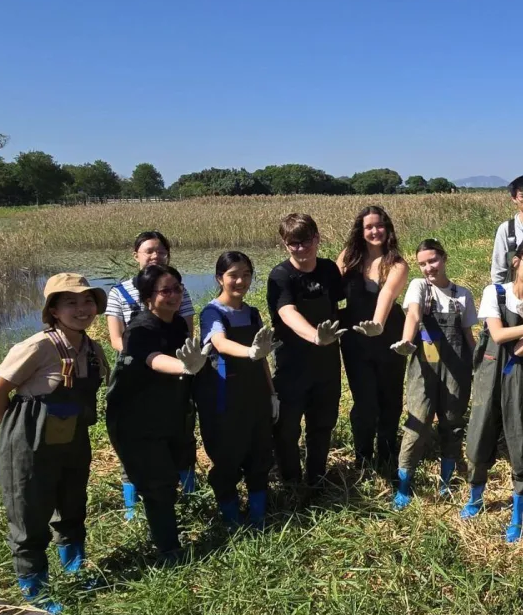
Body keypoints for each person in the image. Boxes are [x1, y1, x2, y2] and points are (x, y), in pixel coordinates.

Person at [0, 274, 109, 613]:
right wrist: (14, 433)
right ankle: (35, 591)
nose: (82, 309)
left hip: (72, 441)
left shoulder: (93, 350)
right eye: (71, 302)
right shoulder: (36, 347)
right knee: (29, 516)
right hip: (28, 444)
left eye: (87, 301)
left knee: (72, 506)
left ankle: (74, 570)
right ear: (53, 310)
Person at [106, 265, 211, 562]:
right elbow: (154, 360)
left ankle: (175, 524)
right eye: (166, 290)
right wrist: (184, 367)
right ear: (148, 297)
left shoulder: (177, 324)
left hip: (168, 412)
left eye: (178, 288)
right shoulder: (140, 329)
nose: (175, 295)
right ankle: (169, 551)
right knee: (158, 486)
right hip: (135, 420)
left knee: (177, 468)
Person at [463, 238, 523, 542]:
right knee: (479, 435)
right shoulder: (495, 292)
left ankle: (519, 511)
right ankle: (476, 497)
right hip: (491, 373)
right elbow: (499, 334)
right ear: (517, 262)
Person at [105, 231, 197, 519]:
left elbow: (186, 331)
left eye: (161, 251)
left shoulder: (176, 287)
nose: (155, 255)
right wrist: (142, 357)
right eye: (148, 251)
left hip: (173, 371)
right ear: (136, 256)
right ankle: (133, 509)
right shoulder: (119, 292)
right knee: (136, 443)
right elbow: (117, 339)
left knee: (180, 435)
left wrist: (181, 363)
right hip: (136, 376)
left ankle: (189, 497)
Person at [390, 239, 477, 509]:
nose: (428, 267)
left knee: (452, 422)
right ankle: (404, 484)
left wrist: (480, 365)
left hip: (457, 367)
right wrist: (406, 340)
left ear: (444, 258)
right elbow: (414, 315)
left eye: (433, 261)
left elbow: (467, 334)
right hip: (424, 367)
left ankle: (446, 481)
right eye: (423, 263)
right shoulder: (419, 287)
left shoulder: (462, 294)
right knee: (418, 423)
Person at [196, 252, 276, 529]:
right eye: (233, 275)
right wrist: (250, 351)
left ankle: (258, 516)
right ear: (220, 278)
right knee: (228, 457)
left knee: (259, 454)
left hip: (256, 397)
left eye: (245, 274)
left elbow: (263, 356)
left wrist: (272, 393)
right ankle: (231, 520)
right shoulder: (212, 312)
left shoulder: (252, 312)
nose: (240, 280)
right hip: (224, 398)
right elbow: (219, 343)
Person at [268, 214, 347, 490]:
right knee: (287, 428)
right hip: (292, 364)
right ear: (284, 244)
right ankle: (290, 480)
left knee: (322, 424)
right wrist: (314, 336)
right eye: (293, 243)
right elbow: (287, 312)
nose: (301, 249)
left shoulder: (328, 270)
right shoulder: (280, 276)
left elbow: (340, 306)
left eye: (305, 241)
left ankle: (317, 478)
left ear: (317, 238)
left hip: (326, 364)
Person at [337, 206, 409, 473]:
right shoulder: (349, 256)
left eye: (379, 226)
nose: (375, 231)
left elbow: (387, 294)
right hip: (356, 340)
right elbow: (331, 288)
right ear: (361, 230)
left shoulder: (397, 263)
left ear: (387, 228)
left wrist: (378, 324)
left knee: (390, 398)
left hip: (388, 336)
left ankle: (388, 455)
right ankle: (363, 458)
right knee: (365, 401)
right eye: (369, 227)